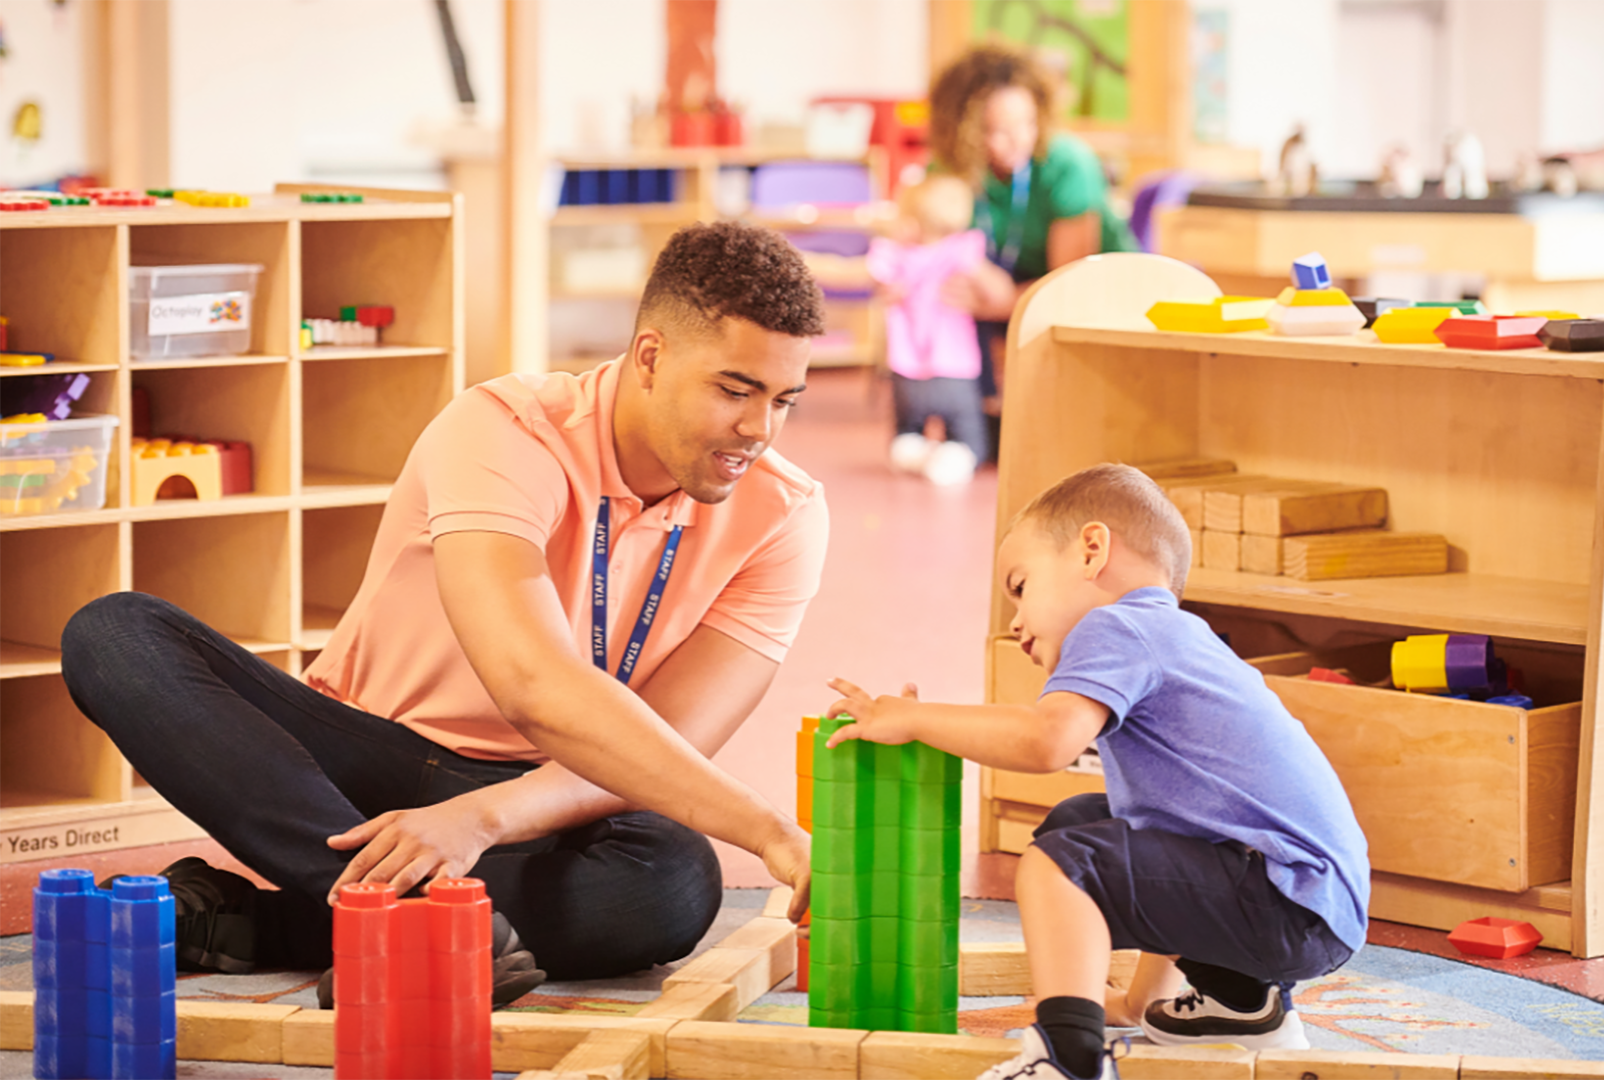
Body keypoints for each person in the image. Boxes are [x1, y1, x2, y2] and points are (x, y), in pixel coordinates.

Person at [61, 221, 828, 1001]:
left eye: (783, 400)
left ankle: (284, 923)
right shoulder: (505, 430)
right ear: (651, 358)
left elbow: (670, 746)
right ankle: (412, 917)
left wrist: (485, 817)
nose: (758, 431)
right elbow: (529, 681)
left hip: (544, 794)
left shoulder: (785, 513)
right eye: (734, 391)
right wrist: (770, 834)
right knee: (116, 635)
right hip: (365, 764)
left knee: (669, 882)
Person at [826, 464, 1369, 1079]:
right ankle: (1242, 1005)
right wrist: (1139, 1004)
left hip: (1285, 902)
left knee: (1061, 864)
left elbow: (1045, 742)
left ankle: (1069, 1057)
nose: (1015, 619)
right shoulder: (1173, 634)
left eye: (1021, 586)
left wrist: (916, 719)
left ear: (1091, 550)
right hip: (1306, 906)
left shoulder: (1118, 624)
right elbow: (1168, 851)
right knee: (1082, 823)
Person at [927, 44, 1138, 458]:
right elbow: (935, 253)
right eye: (996, 129)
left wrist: (1005, 300)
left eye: (1026, 122)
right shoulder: (948, 172)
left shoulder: (1068, 165)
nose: (1017, 139)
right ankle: (969, 421)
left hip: (1092, 294)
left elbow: (1071, 286)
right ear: (964, 130)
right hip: (1003, 296)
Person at [803, 174, 1014, 485]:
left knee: (907, 429)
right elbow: (1001, 293)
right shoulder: (962, 253)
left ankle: (911, 450)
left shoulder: (895, 257)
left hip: (906, 371)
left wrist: (798, 258)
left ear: (913, 223)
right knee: (969, 436)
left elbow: (846, 272)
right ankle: (957, 454)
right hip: (956, 369)